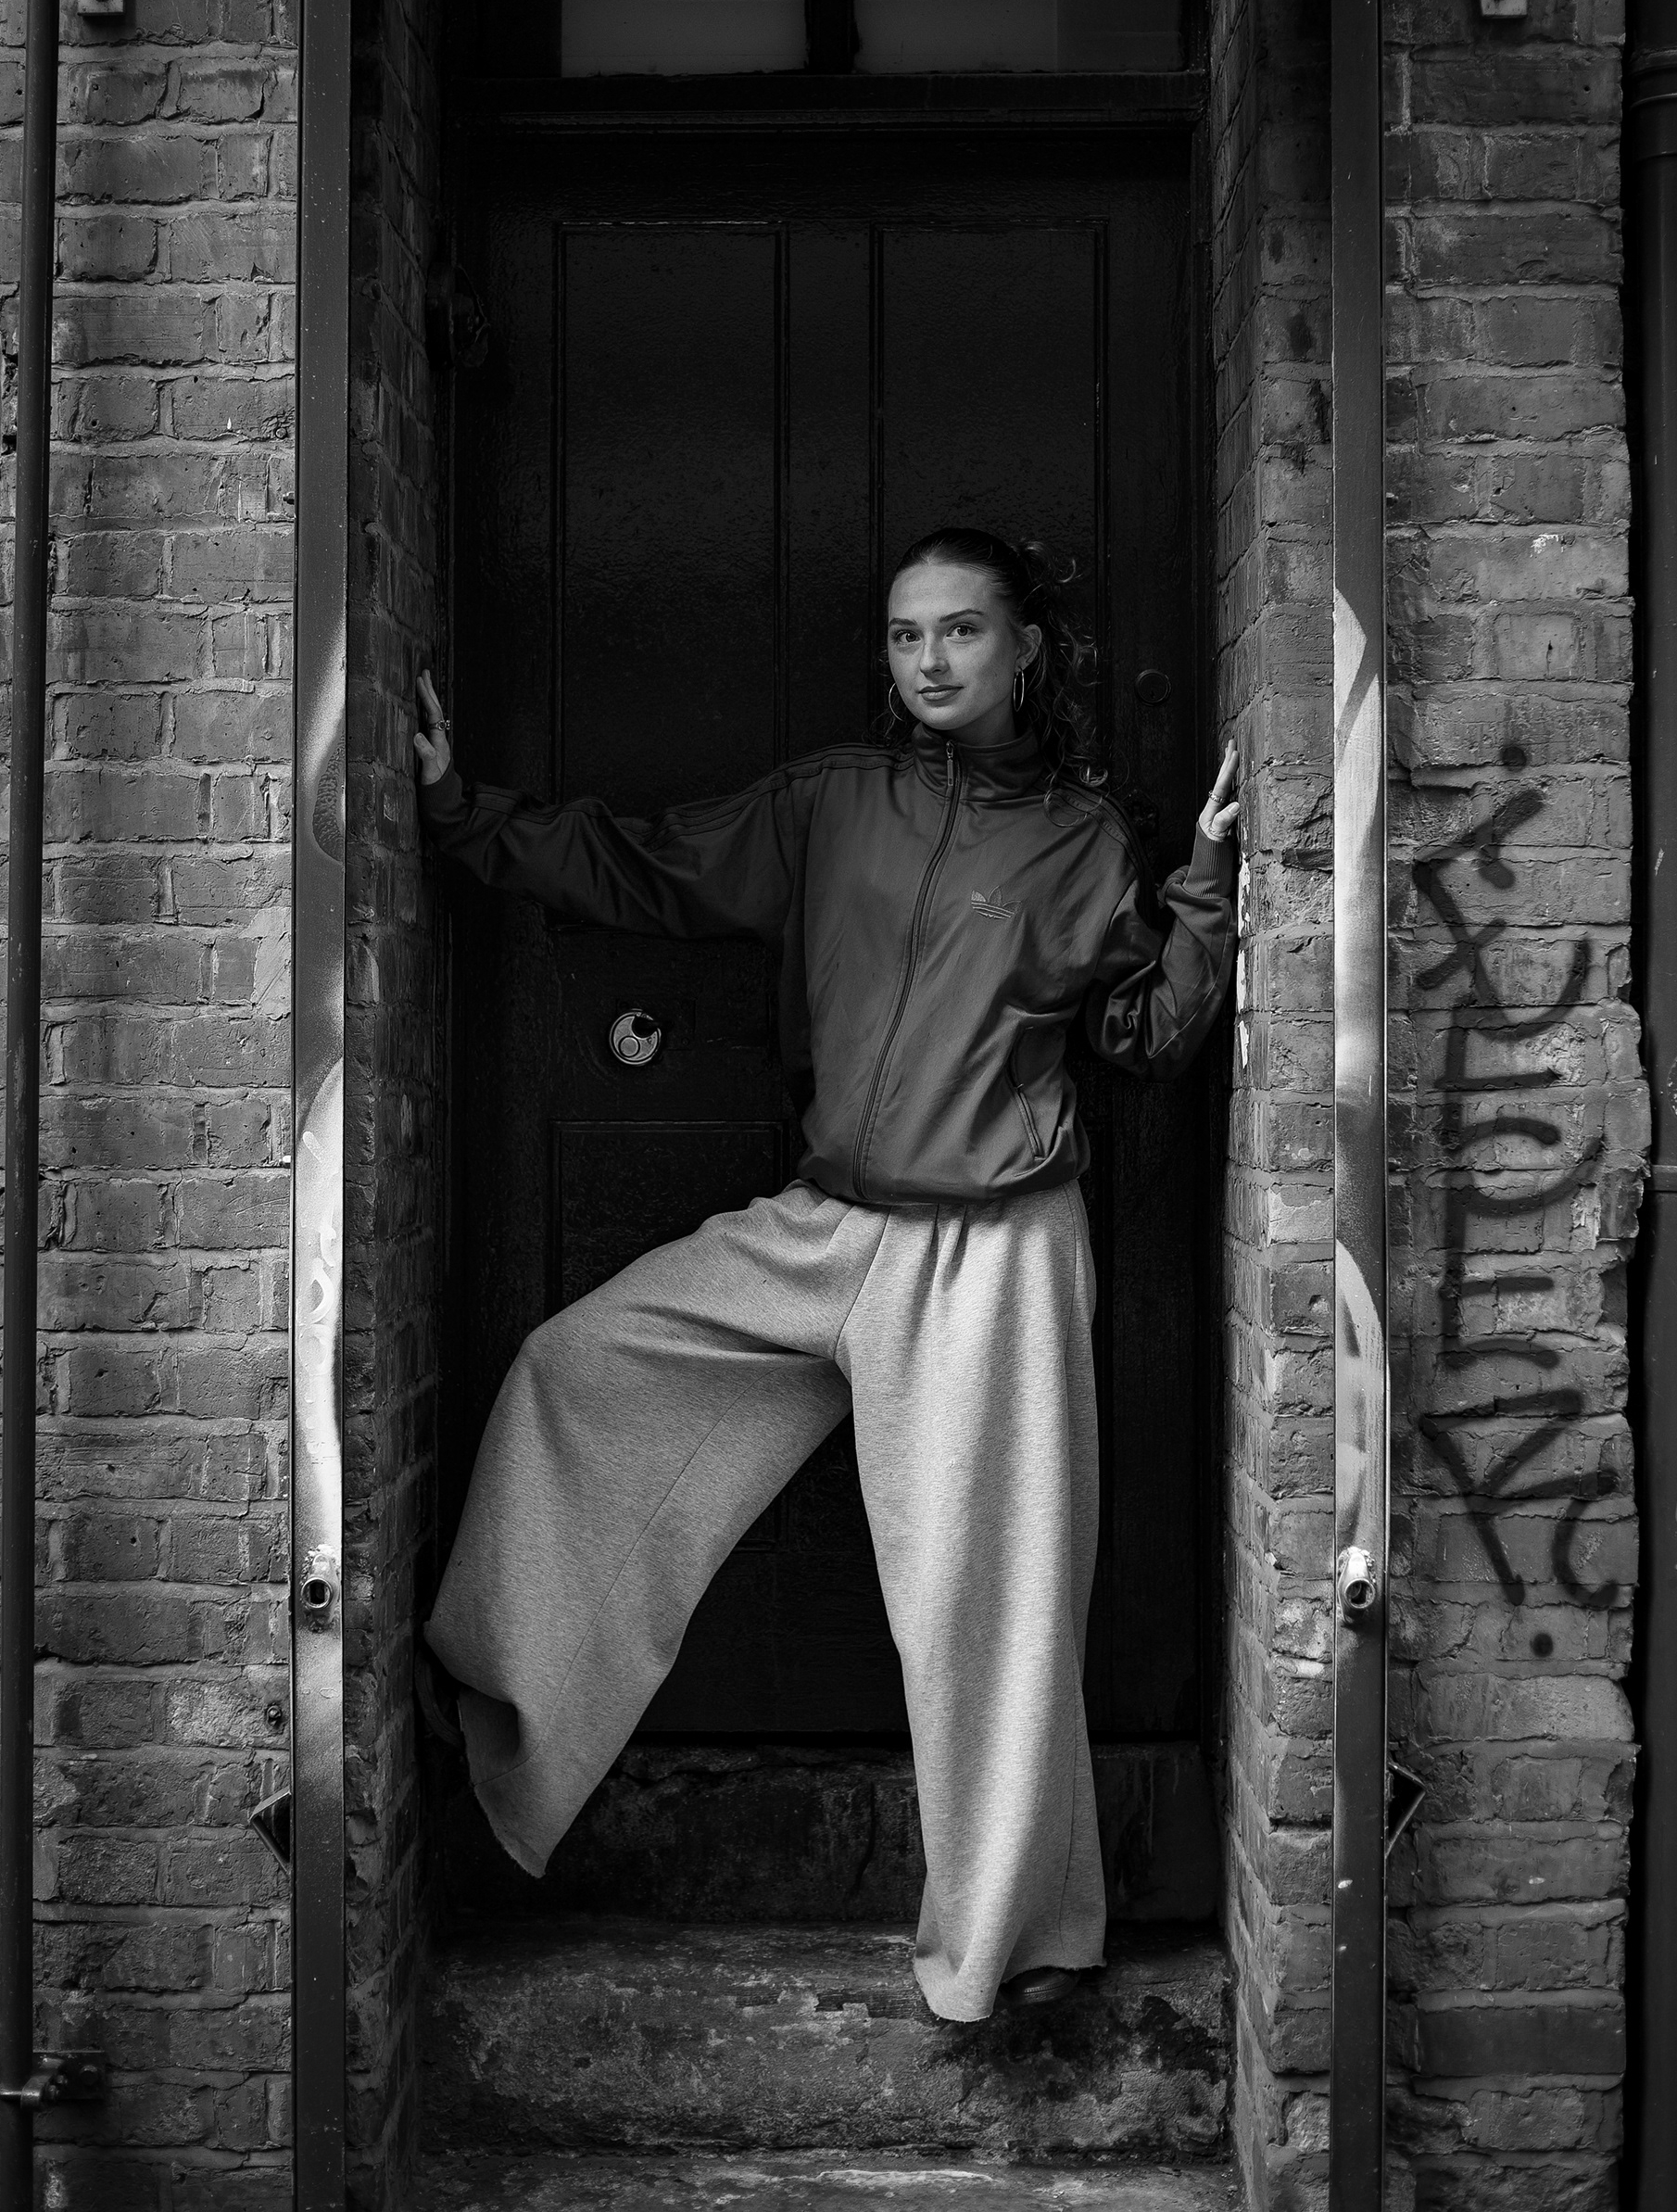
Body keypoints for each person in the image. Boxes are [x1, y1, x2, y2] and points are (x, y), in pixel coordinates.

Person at [410, 526, 1240, 2023]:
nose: (930, 660)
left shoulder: (1081, 840)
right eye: (907, 635)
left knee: (990, 1598)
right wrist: (458, 811)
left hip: (993, 1248)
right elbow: (648, 866)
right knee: (574, 1368)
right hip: (824, 1223)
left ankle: (1018, 1950)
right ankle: (490, 1708)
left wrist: (1205, 893)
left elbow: (1143, 1039)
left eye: (962, 630)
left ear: (1024, 648)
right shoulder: (833, 802)